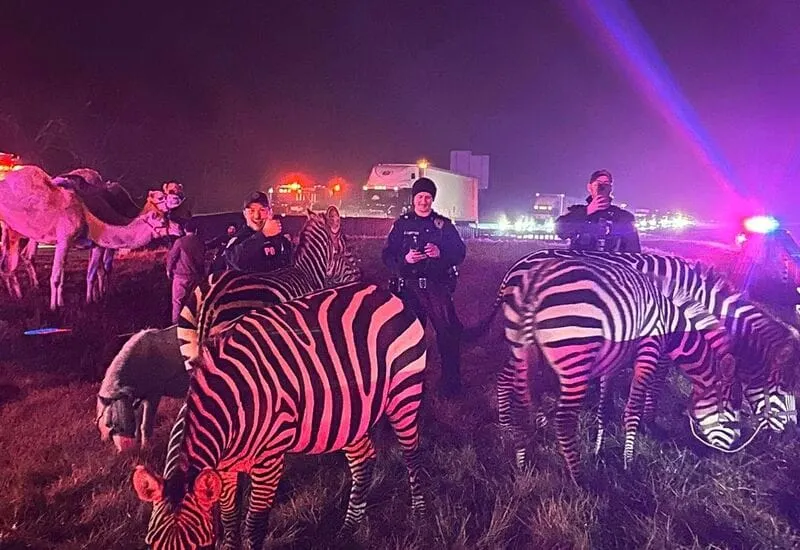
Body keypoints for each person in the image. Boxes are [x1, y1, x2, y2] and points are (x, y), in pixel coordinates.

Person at [382, 177, 467, 397]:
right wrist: (406, 259)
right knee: (408, 339)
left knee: (447, 336)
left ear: (432, 199)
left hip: (436, 289)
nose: (423, 201)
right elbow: (387, 256)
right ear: (413, 199)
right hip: (408, 291)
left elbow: (460, 253)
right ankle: (408, 385)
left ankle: (451, 385)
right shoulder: (402, 224)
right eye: (420, 197)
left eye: (428, 197)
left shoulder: (443, 224)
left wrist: (441, 254)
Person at [555, 169, 641, 252]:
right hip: (582, 263)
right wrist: (586, 212)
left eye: (606, 184)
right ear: (590, 187)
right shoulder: (576, 212)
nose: (602, 187)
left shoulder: (623, 217)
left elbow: (633, 250)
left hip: (610, 264)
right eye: (598, 184)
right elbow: (560, 231)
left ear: (611, 189)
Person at [222, 191, 292, 273]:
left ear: (270, 212)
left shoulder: (282, 241)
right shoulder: (237, 240)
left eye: (262, 210)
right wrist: (263, 235)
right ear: (244, 214)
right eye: (251, 211)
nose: (257, 216)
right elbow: (236, 261)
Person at [166, 218, 205, 323]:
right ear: (196, 230)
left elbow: (172, 257)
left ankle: (176, 325)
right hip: (195, 276)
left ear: (184, 230)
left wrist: (168, 270)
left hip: (180, 276)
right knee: (193, 302)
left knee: (177, 302)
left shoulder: (180, 242)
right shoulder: (200, 242)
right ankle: (191, 323)